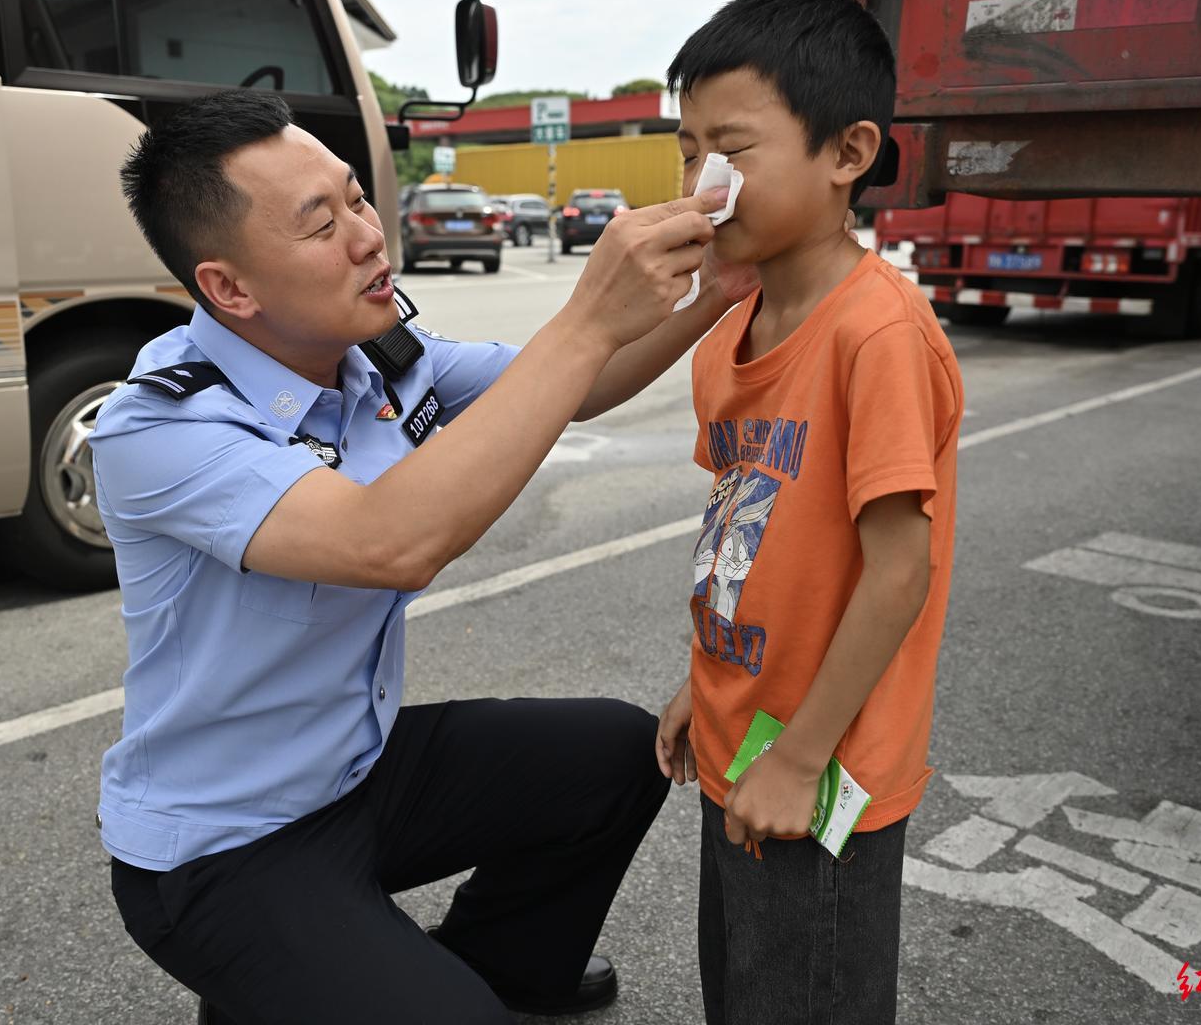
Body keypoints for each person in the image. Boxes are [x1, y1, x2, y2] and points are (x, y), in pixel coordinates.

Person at [90, 89, 753, 1024]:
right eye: (322, 225)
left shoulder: (381, 355)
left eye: (358, 198)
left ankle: (508, 970)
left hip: (353, 777)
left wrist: (722, 283)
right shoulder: (160, 423)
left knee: (612, 753)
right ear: (229, 287)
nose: (368, 236)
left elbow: (574, 385)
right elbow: (387, 541)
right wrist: (589, 315)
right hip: (224, 843)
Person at [652, 0, 966, 1025]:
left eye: (732, 151)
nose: (703, 181)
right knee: (743, 990)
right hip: (740, 739)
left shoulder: (872, 334)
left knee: (805, 996)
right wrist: (705, 685)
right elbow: (746, 533)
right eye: (686, 150)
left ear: (846, 154)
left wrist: (796, 756)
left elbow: (898, 568)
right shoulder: (733, 327)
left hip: (817, 769)